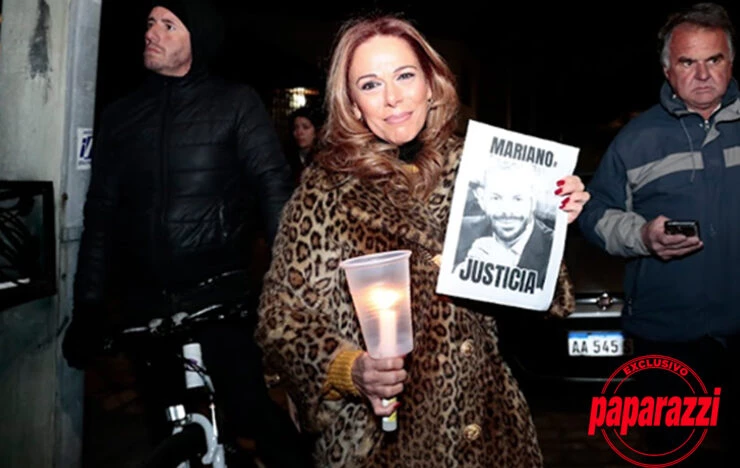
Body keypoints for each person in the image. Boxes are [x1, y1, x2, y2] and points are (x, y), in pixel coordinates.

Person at [255, 14, 590, 467]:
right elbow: (280, 320)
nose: (392, 97)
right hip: (380, 445)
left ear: (431, 84)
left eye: (405, 76)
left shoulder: (486, 168)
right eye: (370, 85)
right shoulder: (325, 190)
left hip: (490, 432)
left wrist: (547, 224)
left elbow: (539, 306)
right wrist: (351, 369)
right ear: (352, 104)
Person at [61, 1, 309, 466]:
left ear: (197, 40)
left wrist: (288, 286)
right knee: (167, 431)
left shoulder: (235, 103)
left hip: (219, 298)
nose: (152, 33)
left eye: (168, 25)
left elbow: (274, 189)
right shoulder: (120, 116)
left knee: (252, 414)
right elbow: (101, 214)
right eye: (150, 23)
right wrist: (88, 306)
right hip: (145, 304)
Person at [578, 2, 740, 463]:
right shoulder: (636, 140)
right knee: (670, 454)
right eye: (688, 62)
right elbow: (594, 215)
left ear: (731, 62)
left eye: (714, 59)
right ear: (668, 70)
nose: (703, 74)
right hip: (667, 336)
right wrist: (643, 236)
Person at [453, 158, 555, 289]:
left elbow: (560, 298)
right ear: (481, 199)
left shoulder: (553, 246)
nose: (507, 212)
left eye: (517, 199)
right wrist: (458, 274)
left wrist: (508, 274)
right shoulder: (460, 230)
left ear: (533, 200)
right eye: (496, 198)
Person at [286, 105, 325, 181]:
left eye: (305, 127)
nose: (299, 132)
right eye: (295, 128)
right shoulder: (287, 158)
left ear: (316, 131)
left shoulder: (324, 159)